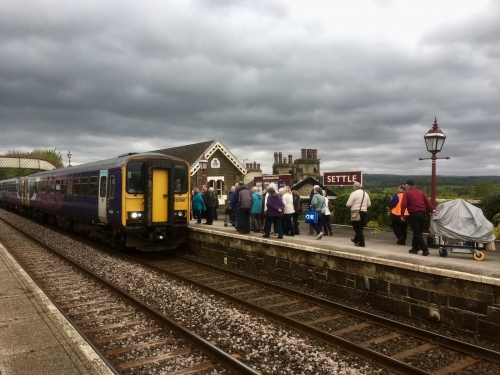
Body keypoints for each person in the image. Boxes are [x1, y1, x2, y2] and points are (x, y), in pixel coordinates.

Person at [400, 179, 434, 256]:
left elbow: (403, 205)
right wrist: (432, 211)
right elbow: (428, 202)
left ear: (407, 186)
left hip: (413, 214)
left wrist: (402, 215)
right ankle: (415, 248)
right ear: (414, 186)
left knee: (417, 233)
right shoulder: (420, 192)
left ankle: (425, 249)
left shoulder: (407, 193)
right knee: (418, 232)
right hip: (422, 213)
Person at [346, 182, 371, 247]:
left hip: (355, 212)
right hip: (364, 211)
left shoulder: (354, 193)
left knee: (357, 228)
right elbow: (369, 204)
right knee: (361, 227)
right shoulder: (366, 193)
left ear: (355, 187)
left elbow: (348, 204)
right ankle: (356, 240)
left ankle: (362, 243)